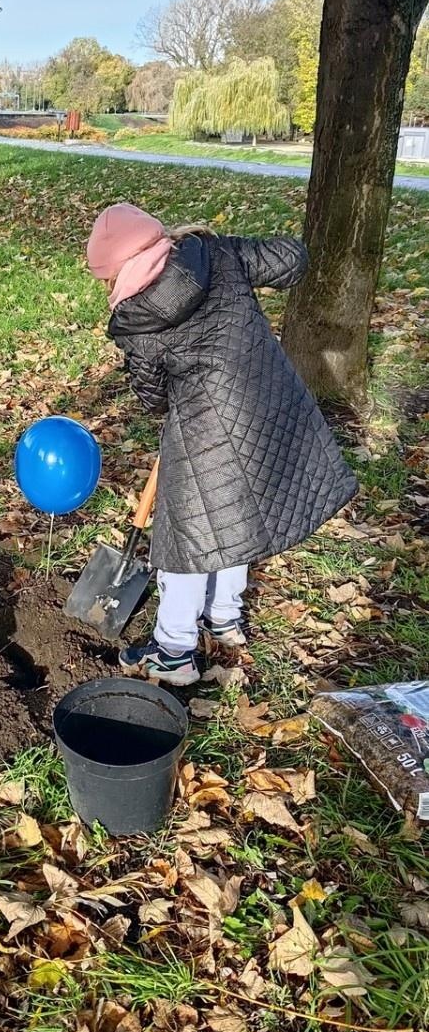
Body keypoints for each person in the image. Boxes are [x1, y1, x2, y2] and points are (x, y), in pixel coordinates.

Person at [86, 203, 357, 686]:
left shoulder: (135, 322)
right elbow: (292, 259)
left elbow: (152, 400)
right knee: (233, 521)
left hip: (203, 435)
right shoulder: (214, 253)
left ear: (113, 275)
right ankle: (225, 621)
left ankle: (173, 652)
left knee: (186, 542)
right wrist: (230, 248)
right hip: (269, 409)